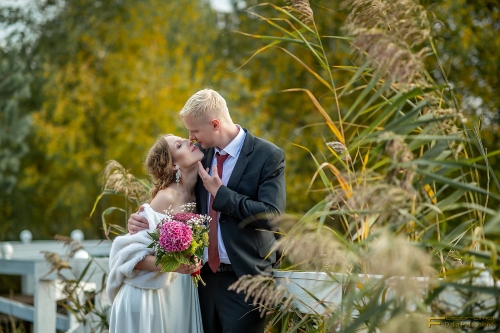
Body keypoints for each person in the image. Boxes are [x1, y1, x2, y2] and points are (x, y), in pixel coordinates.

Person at [129, 88, 286, 333]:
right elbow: (175, 193)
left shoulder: (268, 156)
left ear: (214, 124)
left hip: (246, 282)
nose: (190, 137)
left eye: (194, 131)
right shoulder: (199, 156)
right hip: (199, 283)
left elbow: (273, 216)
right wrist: (143, 220)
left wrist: (222, 195)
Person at [107, 134, 204, 333]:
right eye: (179, 145)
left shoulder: (201, 192)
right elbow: (130, 256)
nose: (189, 141)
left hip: (177, 297)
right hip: (147, 300)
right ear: (174, 165)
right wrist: (177, 265)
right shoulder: (166, 197)